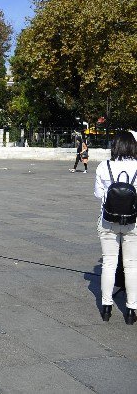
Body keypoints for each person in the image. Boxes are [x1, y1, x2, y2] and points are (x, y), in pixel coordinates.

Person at [94, 131, 137, 324]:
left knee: (109, 264)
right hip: (133, 222)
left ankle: (106, 307)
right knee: (131, 265)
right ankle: (131, 310)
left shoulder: (104, 166)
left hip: (108, 221)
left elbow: (97, 194)